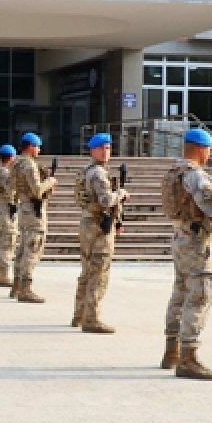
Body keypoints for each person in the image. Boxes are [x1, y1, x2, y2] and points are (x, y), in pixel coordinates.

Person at [160, 128, 212, 380]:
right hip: (196, 243)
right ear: (201, 148)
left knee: (180, 292)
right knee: (200, 294)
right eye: (210, 149)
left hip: (179, 237)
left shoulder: (174, 171)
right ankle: (188, 358)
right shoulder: (195, 176)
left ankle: (172, 350)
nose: (210, 154)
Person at [72, 133, 131, 334]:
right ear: (92, 150)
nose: (106, 152)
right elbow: (106, 200)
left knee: (88, 270)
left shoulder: (89, 171)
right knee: (99, 273)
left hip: (91, 222)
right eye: (102, 148)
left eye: (108, 148)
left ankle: (79, 314)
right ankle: (92, 318)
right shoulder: (98, 173)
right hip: (98, 225)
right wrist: (121, 194)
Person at [10, 132, 57, 304]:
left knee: (23, 248)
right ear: (30, 147)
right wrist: (50, 182)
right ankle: (25, 288)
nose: (39, 150)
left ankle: (16, 284)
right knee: (32, 248)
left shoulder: (15, 163)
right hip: (32, 209)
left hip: (23, 207)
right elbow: (37, 190)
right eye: (37, 146)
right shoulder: (29, 165)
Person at [0, 144, 18, 288]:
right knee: (7, 243)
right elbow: (11, 189)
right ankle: (3, 276)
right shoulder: (5, 172)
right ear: (11, 157)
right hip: (6, 208)